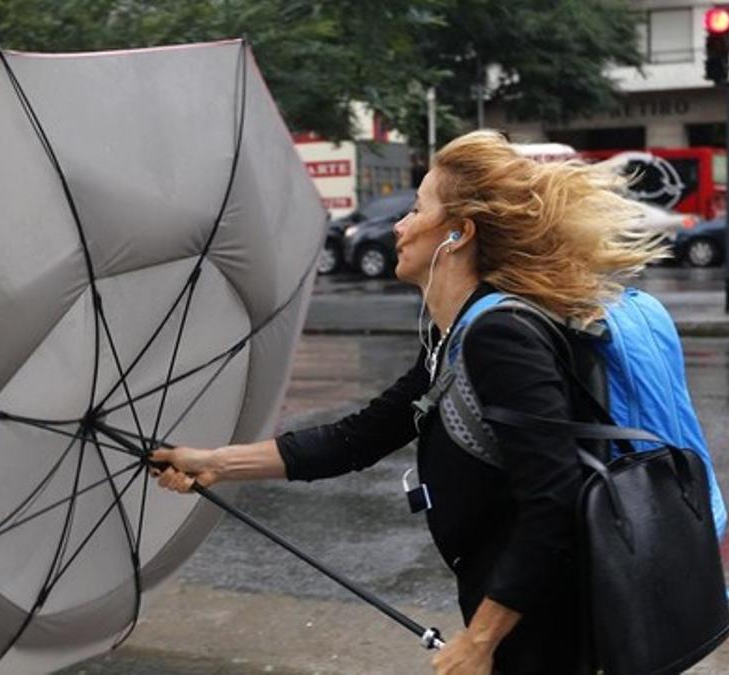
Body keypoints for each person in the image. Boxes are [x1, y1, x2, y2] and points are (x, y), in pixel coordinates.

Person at [151, 130, 668, 674]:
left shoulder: (501, 337)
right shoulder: (457, 337)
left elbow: (554, 498)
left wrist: (481, 641)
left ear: (458, 234)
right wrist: (213, 463)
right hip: (517, 618)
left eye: (417, 208)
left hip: (543, 631)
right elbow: (356, 439)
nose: (399, 224)